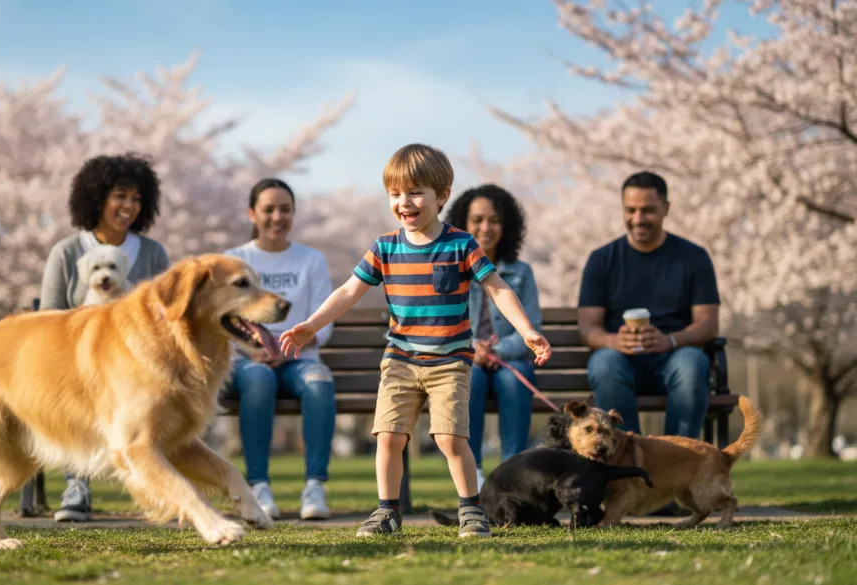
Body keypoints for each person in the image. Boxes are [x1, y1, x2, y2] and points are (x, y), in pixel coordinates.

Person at [279, 144, 552, 538]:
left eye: (415, 193)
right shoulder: (385, 247)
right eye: (395, 194)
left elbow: (497, 288)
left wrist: (526, 331)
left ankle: (471, 509)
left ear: (442, 196)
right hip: (400, 360)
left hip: (449, 363)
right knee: (388, 436)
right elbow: (349, 291)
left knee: (450, 439)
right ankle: (387, 511)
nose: (404, 202)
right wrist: (311, 324)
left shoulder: (461, 245)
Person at [39, 153, 171, 522]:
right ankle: (76, 484)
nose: (129, 206)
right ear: (97, 198)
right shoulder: (66, 252)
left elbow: (166, 314)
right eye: (120, 196)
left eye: (136, 199)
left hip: (138, 365)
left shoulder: (153, 254)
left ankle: (153, 487)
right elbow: (48, 316)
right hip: (78, 361)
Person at [222, 178, 337, 521]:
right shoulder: (235, 260)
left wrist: (285, 349)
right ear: (252, 214)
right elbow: (221, 317)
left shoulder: (311, 260)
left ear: (293, 213)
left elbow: (323, 322)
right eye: (268, 209)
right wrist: (251, 349)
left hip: (298, 359)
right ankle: (259, 486)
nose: (277, 217)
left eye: (285, 209)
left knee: (319, 381)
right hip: (247, 361)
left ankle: (315, 486)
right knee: (260, 380)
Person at [577, 170, 720, 437]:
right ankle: (627, 454)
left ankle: (676, 455)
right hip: (620, 360)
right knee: (604, 364)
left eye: (648, 210)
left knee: (692, 363)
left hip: (675, 356)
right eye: (630, 210)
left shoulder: (693, 257)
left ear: (666, 208)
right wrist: (614, 341)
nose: (638, 219)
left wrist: (670, 340)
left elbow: (708, 324)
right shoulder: (602, 259)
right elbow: (587, 328)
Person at [444, 184, 542, 491]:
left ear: (507, 226)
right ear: (462, 224)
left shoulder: (521, 272)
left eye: (494, 220)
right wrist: (473, 349)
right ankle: (472, 473)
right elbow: (445, 324)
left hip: (510, 360)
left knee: (513, 380)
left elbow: (531, 327)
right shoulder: (449, 270)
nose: (485, 228)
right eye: (477, 220)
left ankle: (514, 473)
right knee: (469, 377)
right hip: (466, 360)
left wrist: (496, 351)